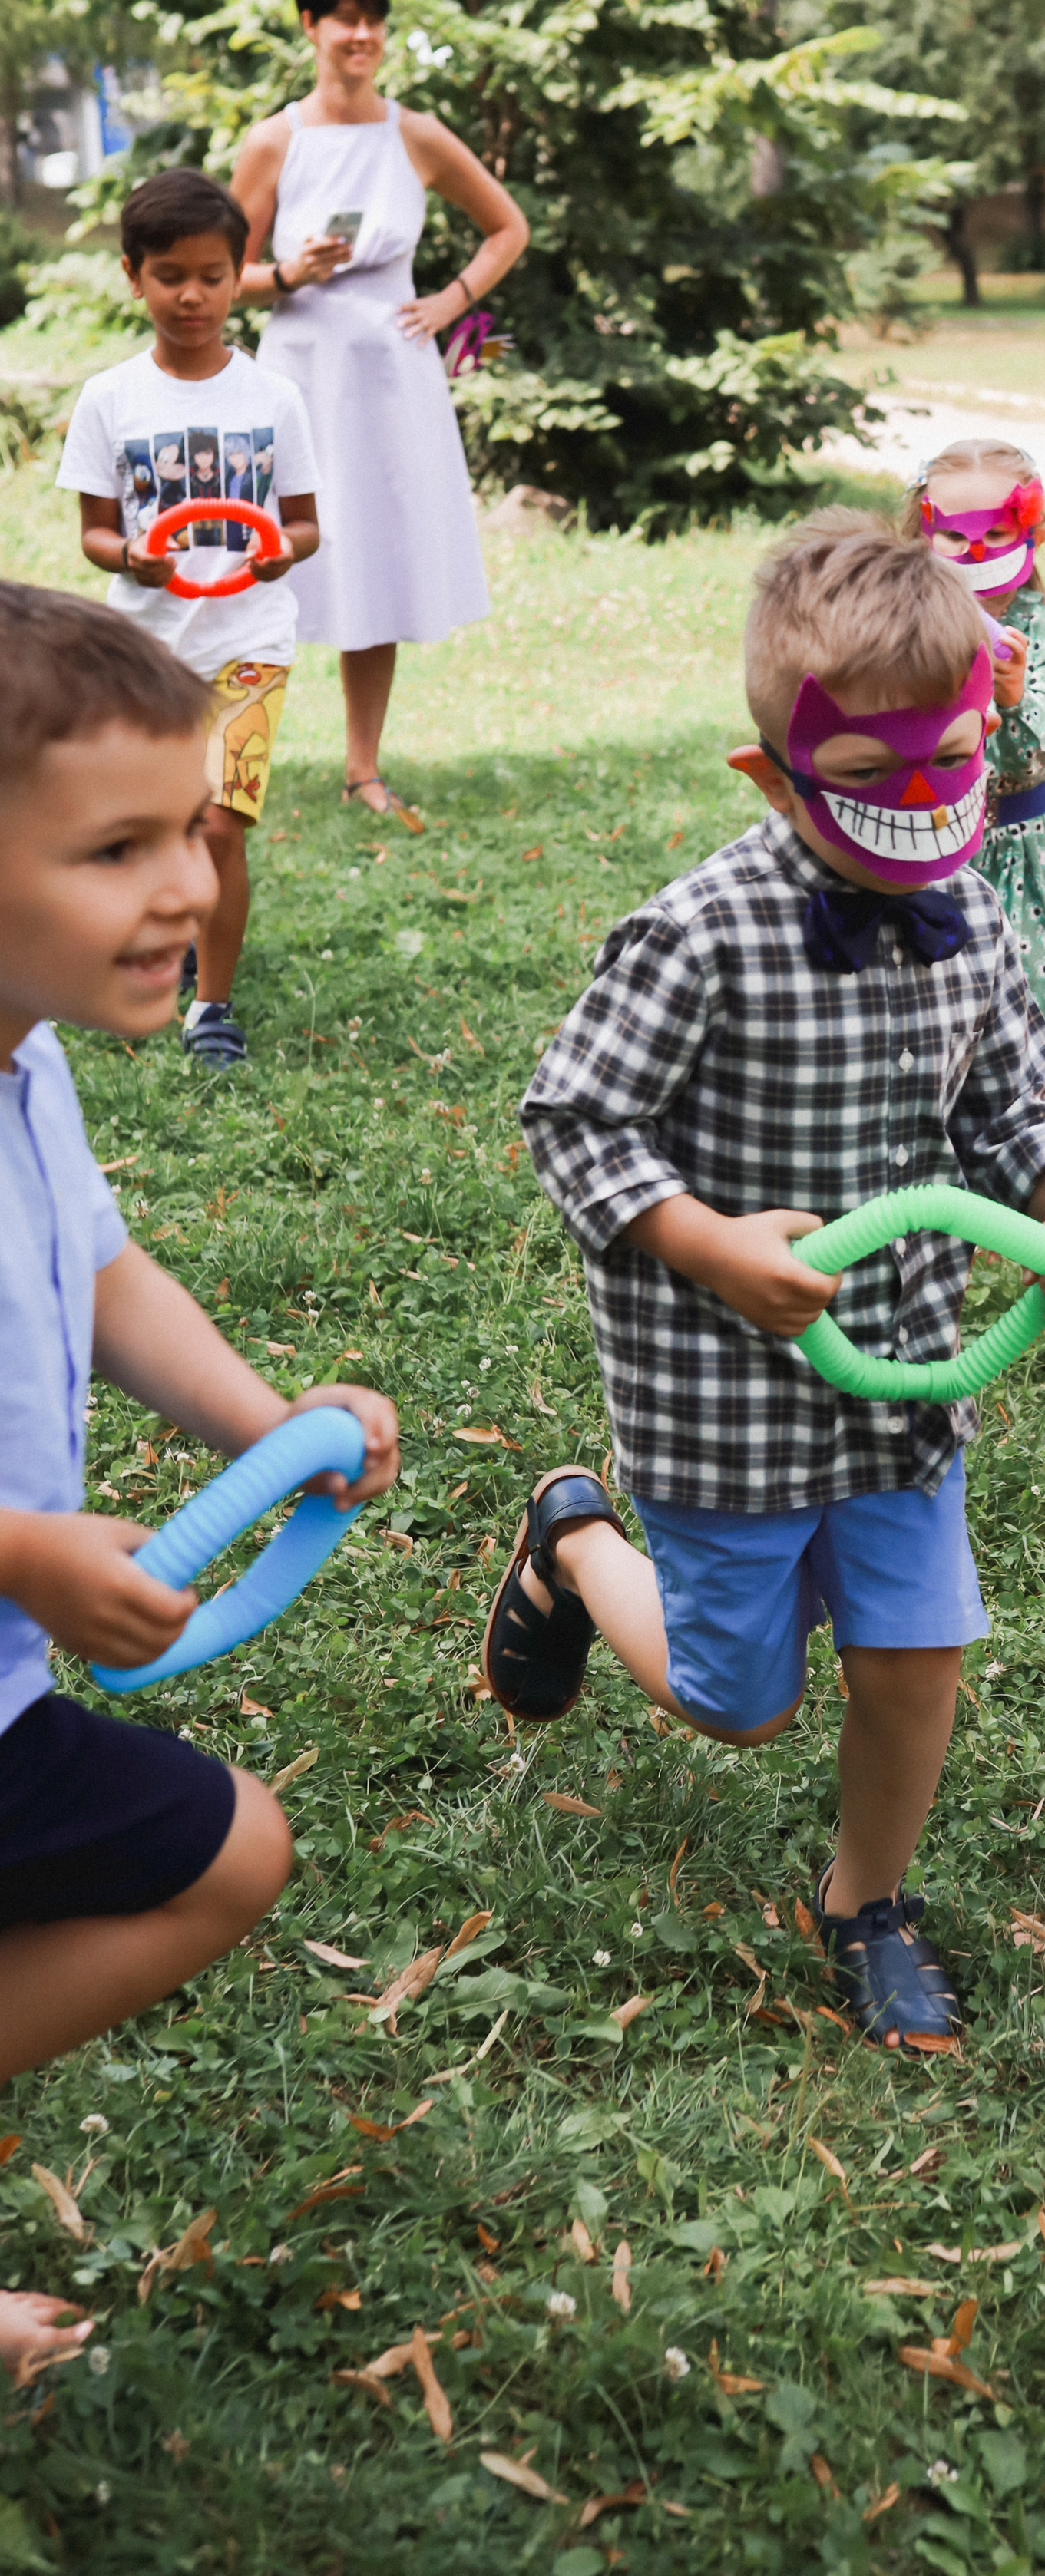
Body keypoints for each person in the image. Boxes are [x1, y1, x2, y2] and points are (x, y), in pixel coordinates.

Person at [496, 515, 1045, 2053]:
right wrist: (706, 1241)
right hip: (721, 1388)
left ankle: (864, 1900)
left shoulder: (966, 905)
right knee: (740, 1703)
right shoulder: (696, 933)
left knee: (915, 1665)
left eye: (953, 765)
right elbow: (572, 1118)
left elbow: (1008, 1097)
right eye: (873, 779)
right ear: (770, 776)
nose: (924, 805)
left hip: (903, 1370)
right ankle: (576, 1540)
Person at [0, 584, 399, 2383]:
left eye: (191, 828)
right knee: (223, 1842)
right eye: (116, 845)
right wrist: (20, 1549)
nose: (188, 883)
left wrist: (262, 1420)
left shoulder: (32, 1068)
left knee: (226, 1843)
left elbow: (101, 1274)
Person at [231, 0, 530, 834]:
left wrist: (450, 301)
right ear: (309, 26)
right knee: (271, 558)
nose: (359, 35)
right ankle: (236, 754)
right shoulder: (274, 140)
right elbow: (219, 270)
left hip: (392, 373)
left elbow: (506, 226)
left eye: (372, 19)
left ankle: (363, 766)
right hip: (301, 370)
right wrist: (287, 271)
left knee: (374, 557)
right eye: (341, 18)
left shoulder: (418, 133)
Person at [58, 168, 320, 1072]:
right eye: (170, 275)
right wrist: (134, 556)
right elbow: (94, 531)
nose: (193, 295)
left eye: (213, 274)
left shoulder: (274, 398)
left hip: (249, 642)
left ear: (242, 271)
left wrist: (285, 549)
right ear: (134, 277)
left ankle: (211, 1006)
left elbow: (306, 523)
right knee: (143, 822)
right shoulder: (109, 398)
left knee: (218, 826)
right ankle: (145, 959)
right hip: (144, 652)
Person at [905, 438, 1045, 1103]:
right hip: (929, 845)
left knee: (1020, 988)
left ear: (1031, 534)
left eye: (998, 532)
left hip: (1017, 853)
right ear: (924, 531)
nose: (978, 552)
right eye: (957, 538)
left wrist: (1013, 695)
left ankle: (1027, 1123)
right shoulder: (902, 623)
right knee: (929, 989)